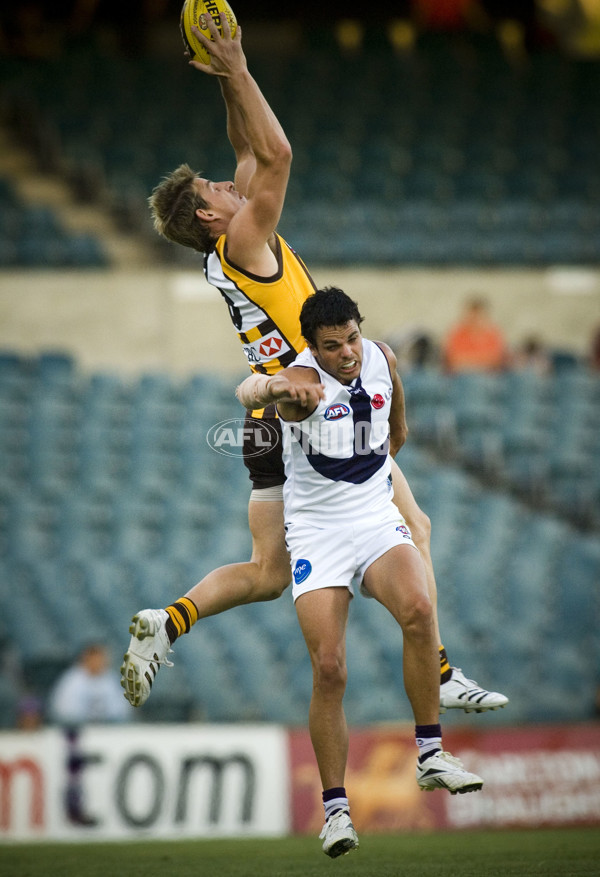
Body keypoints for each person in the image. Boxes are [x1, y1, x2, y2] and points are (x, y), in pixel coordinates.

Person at [121, 12, 508, 717]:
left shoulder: (227, 246)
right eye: (214, 188)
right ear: (212, 218)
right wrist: (237, 62)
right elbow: (279, 153)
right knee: (414, 527)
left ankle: (168, 619)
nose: (227, 183)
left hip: (268, 417)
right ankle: (442, 669)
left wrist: (222, 79)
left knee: (268, 571)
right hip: (311, 413)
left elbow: (247, 146)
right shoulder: (244, 240)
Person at [237, 287, 484, 857]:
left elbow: (396, 430)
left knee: (419, 610)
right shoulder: (303, 388)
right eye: (332, 346)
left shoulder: (380, 356)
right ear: (312, 348)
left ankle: (430, 755)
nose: (347, 352)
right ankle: (336, 811)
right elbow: (248, 391)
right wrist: (271, 386)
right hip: (317, 534)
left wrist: (395, 426)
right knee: (330, 669)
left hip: (373, 518)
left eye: (351, 337)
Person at [48, 642, 129, 725]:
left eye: (100, 659)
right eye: (94, 659)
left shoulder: (111, 679)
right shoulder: (72, 680)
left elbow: (121, 710)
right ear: (85, 659)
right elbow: (65, 711)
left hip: (108, 729)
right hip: (79, 729)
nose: (97, 662)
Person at [443, 296, 509, 373]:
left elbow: (498, 359)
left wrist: (469, 359)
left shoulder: (493, 333)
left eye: (479, 316)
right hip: (464, 375)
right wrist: (484, 359)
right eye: (473, 315)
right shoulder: (458, 333)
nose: (475, 319)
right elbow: (454, 360)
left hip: (490, 375)